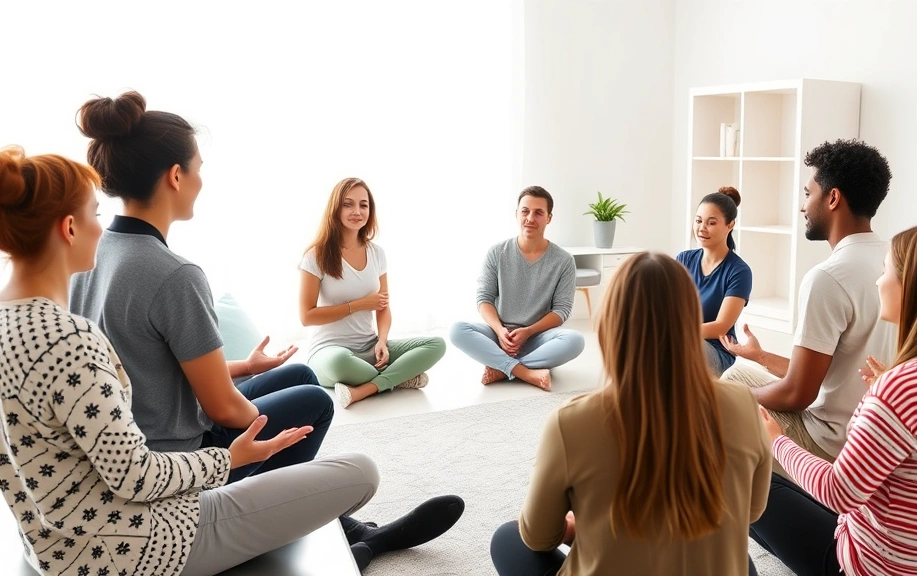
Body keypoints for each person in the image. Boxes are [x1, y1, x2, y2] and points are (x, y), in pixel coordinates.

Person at [68, 91, 463, 569]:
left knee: (298, 376)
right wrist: (255, 410)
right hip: (177, 454)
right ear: (176, 176)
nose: (200, 179)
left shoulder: (92, 255)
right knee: (315, 402)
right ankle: (343, 532)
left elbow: (146, 358)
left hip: (139, 426)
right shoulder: (173, 273)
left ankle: (346, 529)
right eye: (197, 166)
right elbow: (222, 407)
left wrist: (245, 369)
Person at [0, 146, 381, 576]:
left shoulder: (10, 324)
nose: (100, 229)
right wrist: (230, 459)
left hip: (53, 546)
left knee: (297, 387)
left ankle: (345, 537)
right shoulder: (69, 338)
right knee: (362, 472)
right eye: (93, 215)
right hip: (139, 544)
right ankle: (341, 542)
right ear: (69, 227)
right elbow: (135, 476)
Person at [749, 222, 917, 576]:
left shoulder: (903, 389)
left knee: (738, 475)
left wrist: (777, 441)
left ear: (915, 289)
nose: (878, 281)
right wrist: (890, 388)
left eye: (887, 271)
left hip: (873, 568)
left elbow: (839, 493)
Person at [490, 252, 771, 576]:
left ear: (610, 326)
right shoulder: (742, 404)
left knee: (508, 539)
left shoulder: (571, 423)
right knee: (739, 560)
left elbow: (538, 536)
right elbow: (750, 511)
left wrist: (576, 527)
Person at [720, 139, 895, 464]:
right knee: (736, 376)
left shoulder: (828, 277)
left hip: (830, 445)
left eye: (807, 193)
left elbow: (799, 394)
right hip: (875, 437)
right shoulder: (895, 259)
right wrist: (759, 356)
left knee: (722, 398)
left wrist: (727, 400)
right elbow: (829, 372)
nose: (803, 206)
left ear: (832, 198)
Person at [299, 177, 446, 408]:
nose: (356, 211)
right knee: (340, 362)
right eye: (348, 204)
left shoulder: (377, 253)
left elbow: (383, 306)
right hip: (330, 353)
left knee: (436, 344)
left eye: (363, 205)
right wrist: (357, 305)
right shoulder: (315, 256)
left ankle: (366, 388)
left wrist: (383, 342)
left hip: (369, 348)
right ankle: (398, 378)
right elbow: (307, 316)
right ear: (335, 208)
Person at [449, 186, 584, 391]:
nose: (530, 218)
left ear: (549, 218)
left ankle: (501, 368)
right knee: (457, 329)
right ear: (516, 214)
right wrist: (500, 331)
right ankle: (525, 371)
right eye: (525, 211)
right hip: (499, 336)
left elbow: (561, 310)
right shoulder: (497, 252)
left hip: (538, 338)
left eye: (538, 212)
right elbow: (484, 299)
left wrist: (528, 331)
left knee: (575, 340)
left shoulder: (564, 261)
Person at [676, 186, 752, 376]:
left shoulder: (739, 271)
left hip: (716, 352)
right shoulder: (684, 260)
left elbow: (721, 326)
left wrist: (676, 332)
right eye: (698, 221)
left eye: (711, 223)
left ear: (730, 225)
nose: (702, 228)